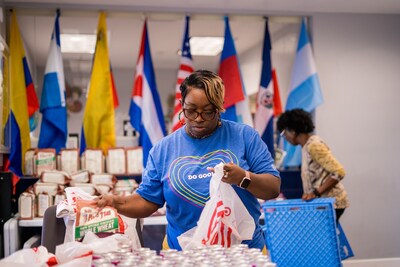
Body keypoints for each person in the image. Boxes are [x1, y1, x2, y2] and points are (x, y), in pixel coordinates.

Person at [96, 69, 281, 250]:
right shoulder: (163, 149)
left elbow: (272, 188)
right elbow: (147, 201)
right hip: (184, 255)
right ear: (182, 104)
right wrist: (117, 203)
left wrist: (243, 178)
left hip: (241, 254)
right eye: (191, 111)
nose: (198, 119)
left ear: (219, 108)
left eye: (207, 112)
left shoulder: (244, 136)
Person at [277, 108, 349, 222]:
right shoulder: (306, 146)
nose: (285, 137)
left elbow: (339, 172)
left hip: (332, 203)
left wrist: (315, 193)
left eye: (284, 133)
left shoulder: (313, 145)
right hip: (323, 203)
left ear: (293, 130)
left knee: (324, 237)